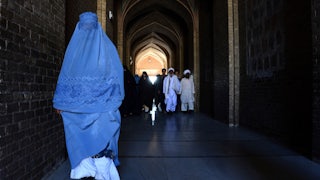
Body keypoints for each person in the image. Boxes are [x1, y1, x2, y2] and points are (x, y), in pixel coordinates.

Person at [53, 12, 123, 179]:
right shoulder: (74, 53)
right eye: (85, 27)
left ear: (97, 28)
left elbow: (115, 77)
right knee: (83, 152)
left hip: (103, 112)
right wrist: (60, 102)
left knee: (101, 154)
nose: (88, 31)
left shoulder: (106, 51)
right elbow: (65, 77)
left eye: (90, 27)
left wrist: (109, 102)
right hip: (80, 113)